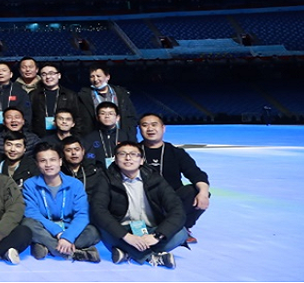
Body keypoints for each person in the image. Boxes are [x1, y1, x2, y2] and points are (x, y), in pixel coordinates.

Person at [89, 141, 187, 268]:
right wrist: (126, 236)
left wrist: (157, 236)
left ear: (141, 160)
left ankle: (127, 253)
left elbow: (177, 209)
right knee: (102, 227)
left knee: (181, 233)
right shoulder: (105, 179)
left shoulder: (154, 178)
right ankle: (151, 256)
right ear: (116, 160)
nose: (128, 158)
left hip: (150, 230)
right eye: (122, 154)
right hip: (121, 230)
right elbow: (98, 210)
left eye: (133, 154)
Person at [21, 143, 100, 262]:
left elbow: (82, 214)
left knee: (93, 231)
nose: (48, 164)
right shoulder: (30, 184)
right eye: (43, 161)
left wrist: (68, 237)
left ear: (60, 161)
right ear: (37, 164)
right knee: (27, 224)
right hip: (45, 229)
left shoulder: (75, 184)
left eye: (52, 160)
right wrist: (57, 232)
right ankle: (74, 252)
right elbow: (32, 213)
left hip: (70, 228)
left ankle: (47, 247)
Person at [138, 113, 210, 242]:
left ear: (163, 128)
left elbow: (196, 174)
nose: (150, 128)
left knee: (196, 191)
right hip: (143, 200)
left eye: (154, 124)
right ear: (139, 129)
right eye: (145, 125)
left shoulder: (176, 152)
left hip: (172, 199)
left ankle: (182, 227)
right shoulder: (134, 152)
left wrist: (203, 193)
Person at [77, 66, 138, 140]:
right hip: (96, 138)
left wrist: (131, 136)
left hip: (119, 136)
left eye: (98, 76)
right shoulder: (83, 96)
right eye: (92, 77)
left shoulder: (121, 94)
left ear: (107, 77)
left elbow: (131, 118)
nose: (95, 79)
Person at [30, 65, 83, 137]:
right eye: (44, 74)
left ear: (59, 75)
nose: (48, 77)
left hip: (65, 136)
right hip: (39, 136)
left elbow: (78, 117)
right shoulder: (34, 95)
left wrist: (75, 136)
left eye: (51, 73)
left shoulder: (70, 95)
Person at [0, 63, 31, 138]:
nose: (0, 73)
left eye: (4, 70)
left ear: (11, 74)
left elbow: (27, 115)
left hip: (17, 136)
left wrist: (20, 133)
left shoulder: (21, 93)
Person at [82, 101, 136, 167]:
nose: (107, 116)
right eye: (103, 113)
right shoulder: (89, 138)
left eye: (111, 113)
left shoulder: (127, 136)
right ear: (97, 117)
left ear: (117, 118)